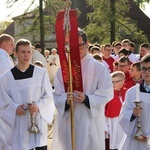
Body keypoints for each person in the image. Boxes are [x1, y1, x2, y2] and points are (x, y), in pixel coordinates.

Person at [52, 28, 114, 150]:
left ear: (87, 43)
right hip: (68, 121)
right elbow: (57, 94)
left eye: (80, 45)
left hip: (89, 120)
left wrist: (86, 99)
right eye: (72, 46)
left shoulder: (99, 68)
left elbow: (107, 93)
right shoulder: (63, 70)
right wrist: (65, 99)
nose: (75, 49)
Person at [0, 39, 55, 150]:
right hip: (19, 126)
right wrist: (15, 108)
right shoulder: (6, 78)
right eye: (23, 52)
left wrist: (38, 106)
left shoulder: (41, 73)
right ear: (15, 54)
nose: (26, 55)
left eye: (29, 52)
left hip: (38, 122)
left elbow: (49, 96)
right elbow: (3, 102)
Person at [119, 54, 150, 150]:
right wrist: (132, 114)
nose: (147, 72)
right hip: (134, 141)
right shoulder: (132, 92)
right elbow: (122, 115)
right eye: (144, 69)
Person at [105, 71, 127, 150]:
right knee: (114, 143)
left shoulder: (127, 92)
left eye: (116, 82)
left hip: (124, 122)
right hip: (112, 121)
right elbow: (105, 111)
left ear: (123, 81)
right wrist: (105, 127)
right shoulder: (108, 94)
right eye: (112, 82)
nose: (113, 84)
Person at [0, 33, 15, 149]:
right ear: (3, 44)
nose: (13, 47)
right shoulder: (2, 58)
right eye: (11, 44)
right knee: (5, 134)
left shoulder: (5, 57)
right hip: (4, 98)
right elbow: (9, 77)